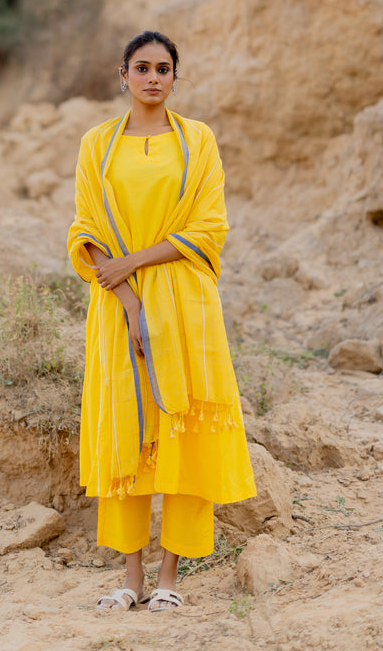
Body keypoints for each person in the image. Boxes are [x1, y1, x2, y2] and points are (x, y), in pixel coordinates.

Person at [67, 30, 256, 612]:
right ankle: (131, 579)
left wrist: (137, 261)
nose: (154, 77)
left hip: (185, 302)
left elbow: (208, 229)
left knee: (182, 434)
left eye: (164, 68)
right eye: (142, 67)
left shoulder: (197, 142)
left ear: (176, 77)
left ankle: (170, 579)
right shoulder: (96, 145)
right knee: (128, 429)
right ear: (123, 75)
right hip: (116, 304)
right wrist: (129, 304)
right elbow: (84, 231)